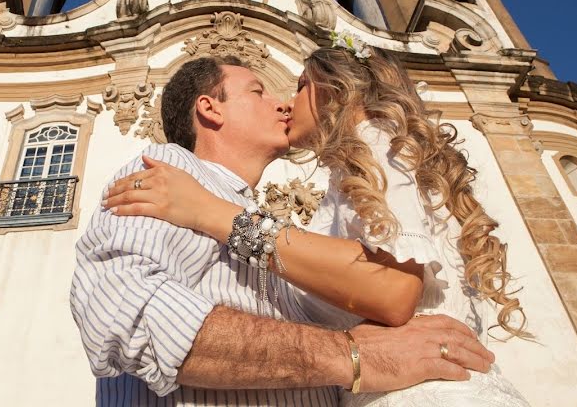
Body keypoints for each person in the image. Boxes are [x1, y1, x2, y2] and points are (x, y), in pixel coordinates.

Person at [103, 38, 530, 406]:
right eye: (259, 91)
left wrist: (214, 214)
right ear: (209, 109)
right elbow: (127, 314)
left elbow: (394, 289)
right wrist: (350, 356)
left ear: (334, 90)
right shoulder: (169, 172)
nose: (285, 103)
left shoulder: (377, 146)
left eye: (301, 86)